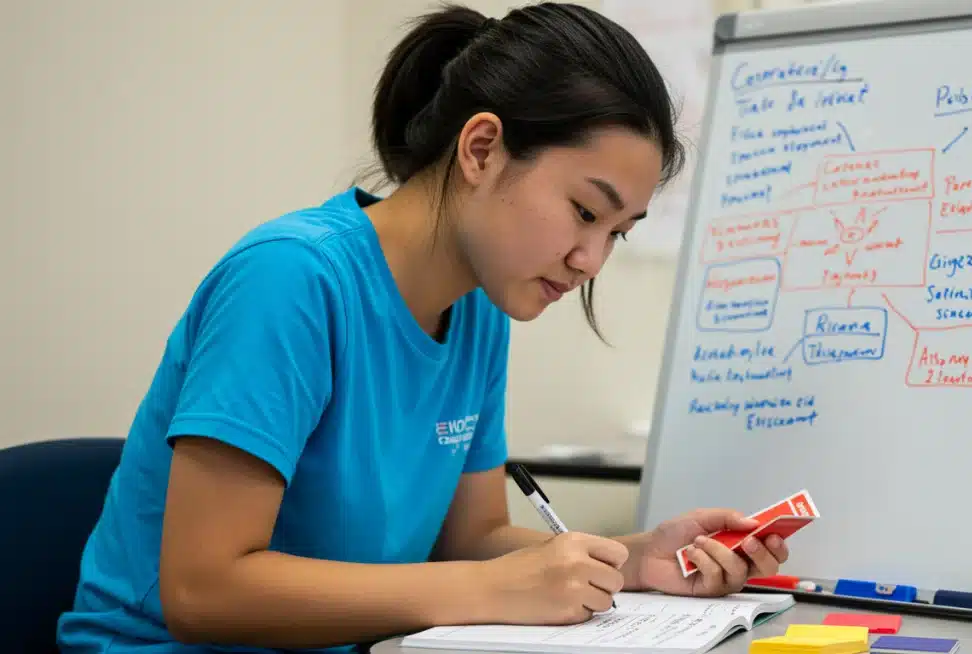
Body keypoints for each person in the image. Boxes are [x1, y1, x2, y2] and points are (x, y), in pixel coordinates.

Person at [56, 3, 790, 653]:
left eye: (617, 233)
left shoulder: (481, 307)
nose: (589, 259)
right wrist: (495, 591)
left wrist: (636, 562)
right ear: (480, 149)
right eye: (585, 212)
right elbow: (203, 592)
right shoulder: (291, 279)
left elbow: (469, 542)